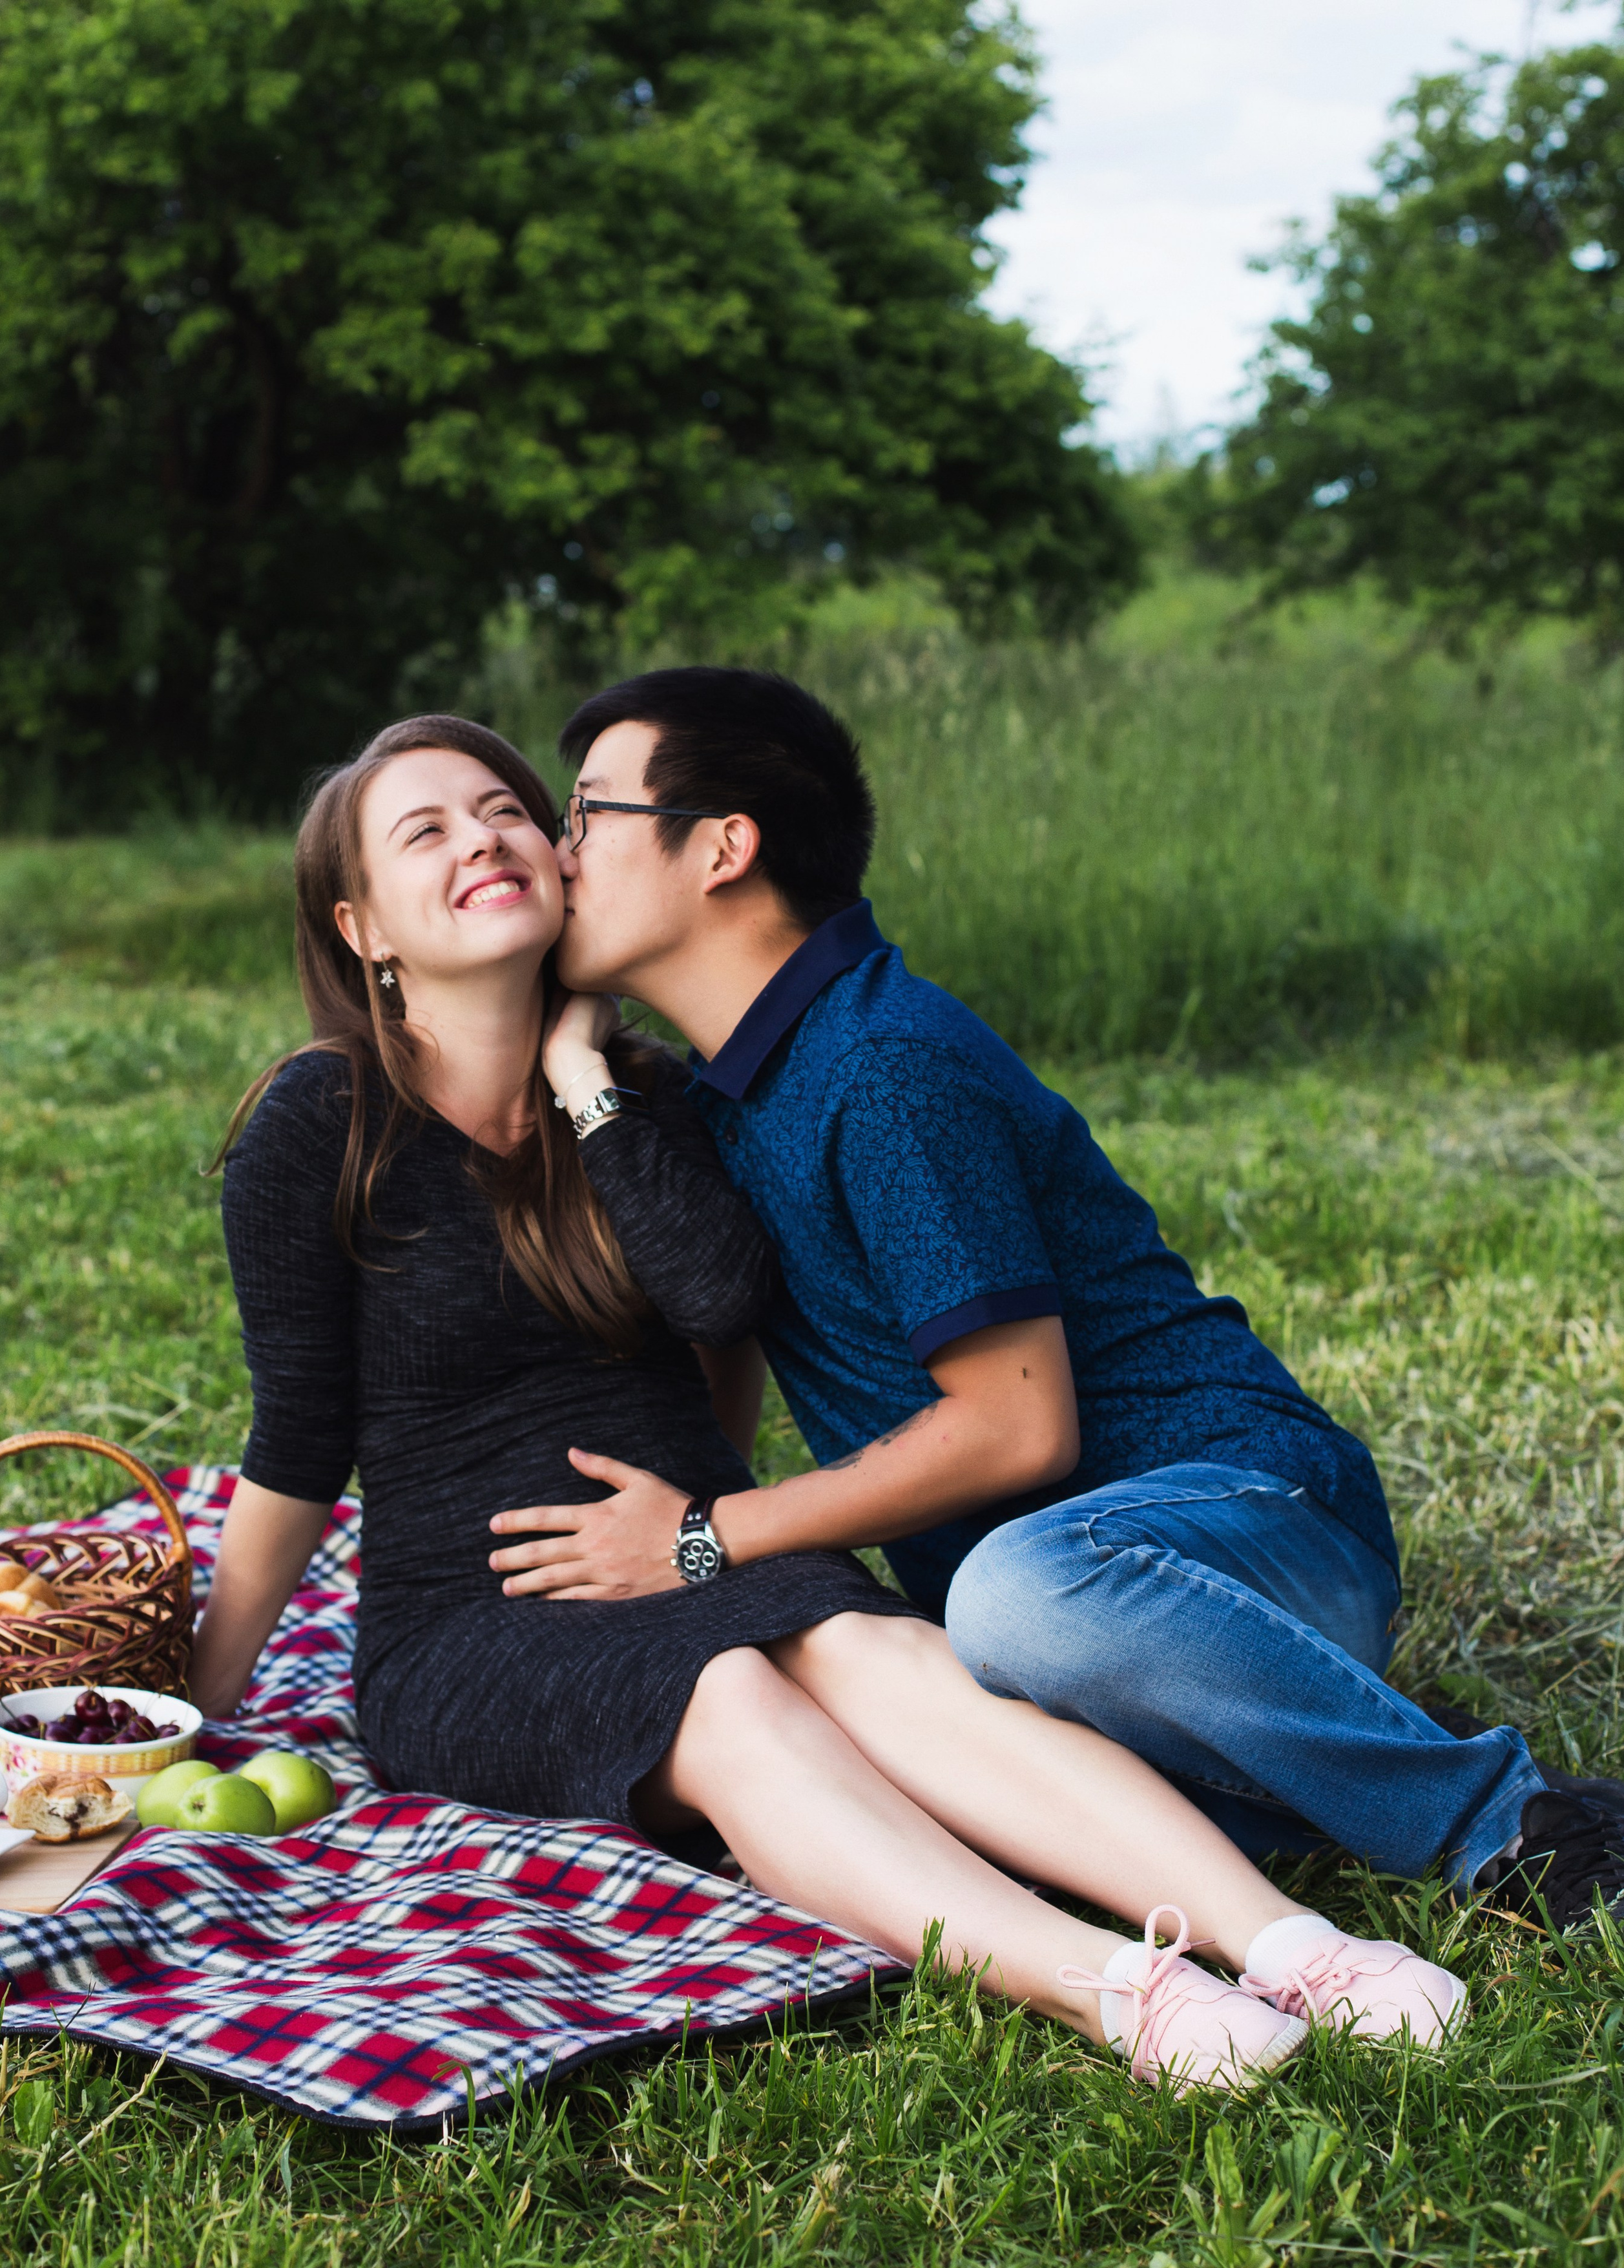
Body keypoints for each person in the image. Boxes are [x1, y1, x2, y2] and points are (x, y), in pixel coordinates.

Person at [191, 712, 1466, 2091]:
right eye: (424, 831)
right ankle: (1119, 1993)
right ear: (361, 924)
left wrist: (578, 1083)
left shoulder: (645, 1100)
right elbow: (298, 1451)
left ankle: (1290, 1945)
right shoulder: (321, 1125)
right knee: (734, 1687)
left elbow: (713, 1303)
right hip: (473, 1618)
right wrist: (189, 1711)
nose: (488, 838)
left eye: (508, 810)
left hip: (687, 1547)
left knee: (890, 1660)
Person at [486, 664, 1624, 1933]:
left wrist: (706, 1538)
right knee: (944, 1759)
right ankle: (1297, 1755)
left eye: (588, 814)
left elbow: (1018, 1429)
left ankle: (1506, 1818)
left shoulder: (880, 1068)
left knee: (1016, 1602)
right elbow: (718, 1342)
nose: (556, 850)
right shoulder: (730, 1094)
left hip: (1244, 1529)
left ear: (724, 849)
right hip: (1057, 1621)